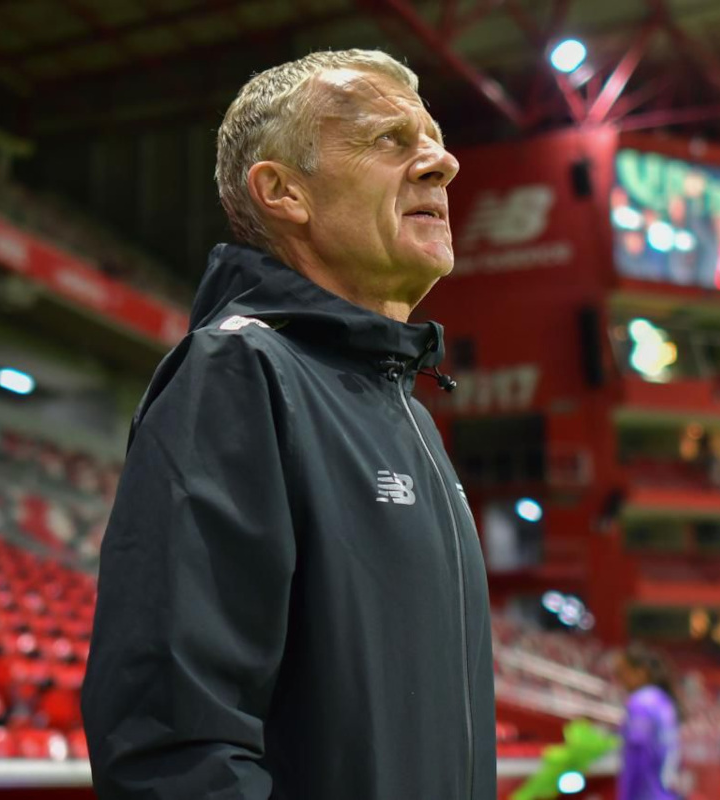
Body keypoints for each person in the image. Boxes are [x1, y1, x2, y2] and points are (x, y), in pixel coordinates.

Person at [81, 49, 497, 800]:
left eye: (434, 140)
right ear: (283, 192)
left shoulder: (407, 411)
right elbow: (174, 749)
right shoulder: (238, 372)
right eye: (388, 140)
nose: (444, 163)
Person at [615, 643, 681, 800]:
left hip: (647, 793)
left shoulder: (640, 703)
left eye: (622, 672)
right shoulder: (663, 700)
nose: (620, 679)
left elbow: (639, 753)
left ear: (641, 672)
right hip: (664, 791)